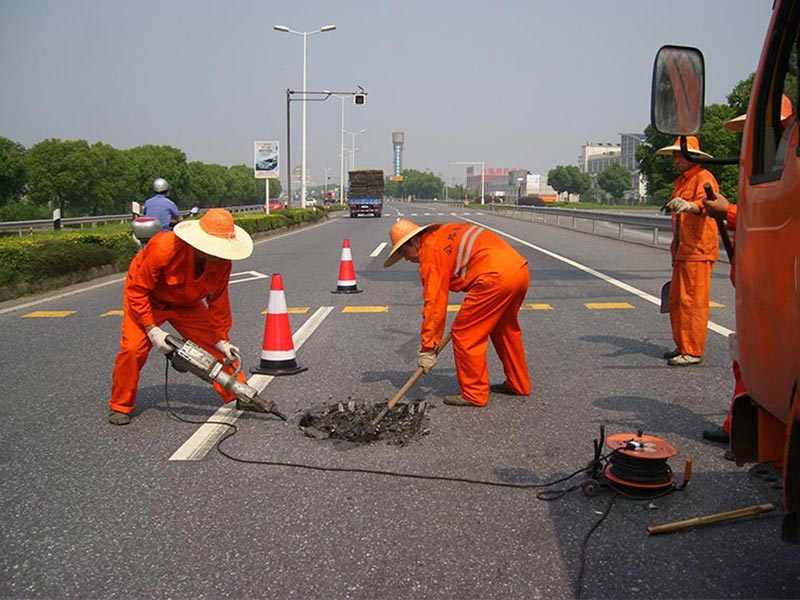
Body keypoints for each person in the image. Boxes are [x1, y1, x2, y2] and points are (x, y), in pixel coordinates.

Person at [107, 208, 255, 425]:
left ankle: (239, 392)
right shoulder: (164, 247)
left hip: (187, 304)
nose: (217, 254)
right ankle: (120, 405)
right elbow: (137, 290)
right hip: (149, 302)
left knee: (215, 348)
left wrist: (222, 339)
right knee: (132, 349)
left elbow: (219, 302)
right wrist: (151, 329)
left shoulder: (222, 262)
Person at [383, 218, 531, 407]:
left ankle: (474, 394)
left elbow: (434, 305)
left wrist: (428, 348)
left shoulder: (431, 254)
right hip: (518, 270)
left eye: (404, 251)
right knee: (504, 329)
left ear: (415, 241)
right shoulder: (445, 232)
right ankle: (518, 384)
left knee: (464, 333)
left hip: (494, 279)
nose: (406, 258)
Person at [656, 136, 720, 366]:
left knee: (692, 301)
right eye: (674, 154)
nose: (676, 159)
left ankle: (692, 350)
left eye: (680, 154)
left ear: (694, 155)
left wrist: (690, 206)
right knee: (678, 300)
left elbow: (707, 204)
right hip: (683, 249)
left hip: (698, 250)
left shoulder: (704, 177)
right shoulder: (682, 182)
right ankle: (683, 345)